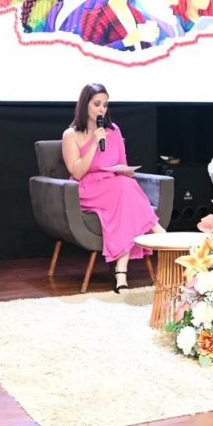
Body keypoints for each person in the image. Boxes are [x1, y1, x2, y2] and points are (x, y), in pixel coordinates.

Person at [61, 83, 163, 292]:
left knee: (126, 188)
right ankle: (159, 232)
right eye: (97, 104)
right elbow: (77, 172)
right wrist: (94, 143)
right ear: (85, 105)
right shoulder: (71, 135)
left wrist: (126, 171)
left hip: (115, 186)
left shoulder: (114, 130)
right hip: (87, 189)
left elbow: (123, 164)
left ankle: (121, 273)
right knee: (125, 188)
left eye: (105, 105)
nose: (102, 109)